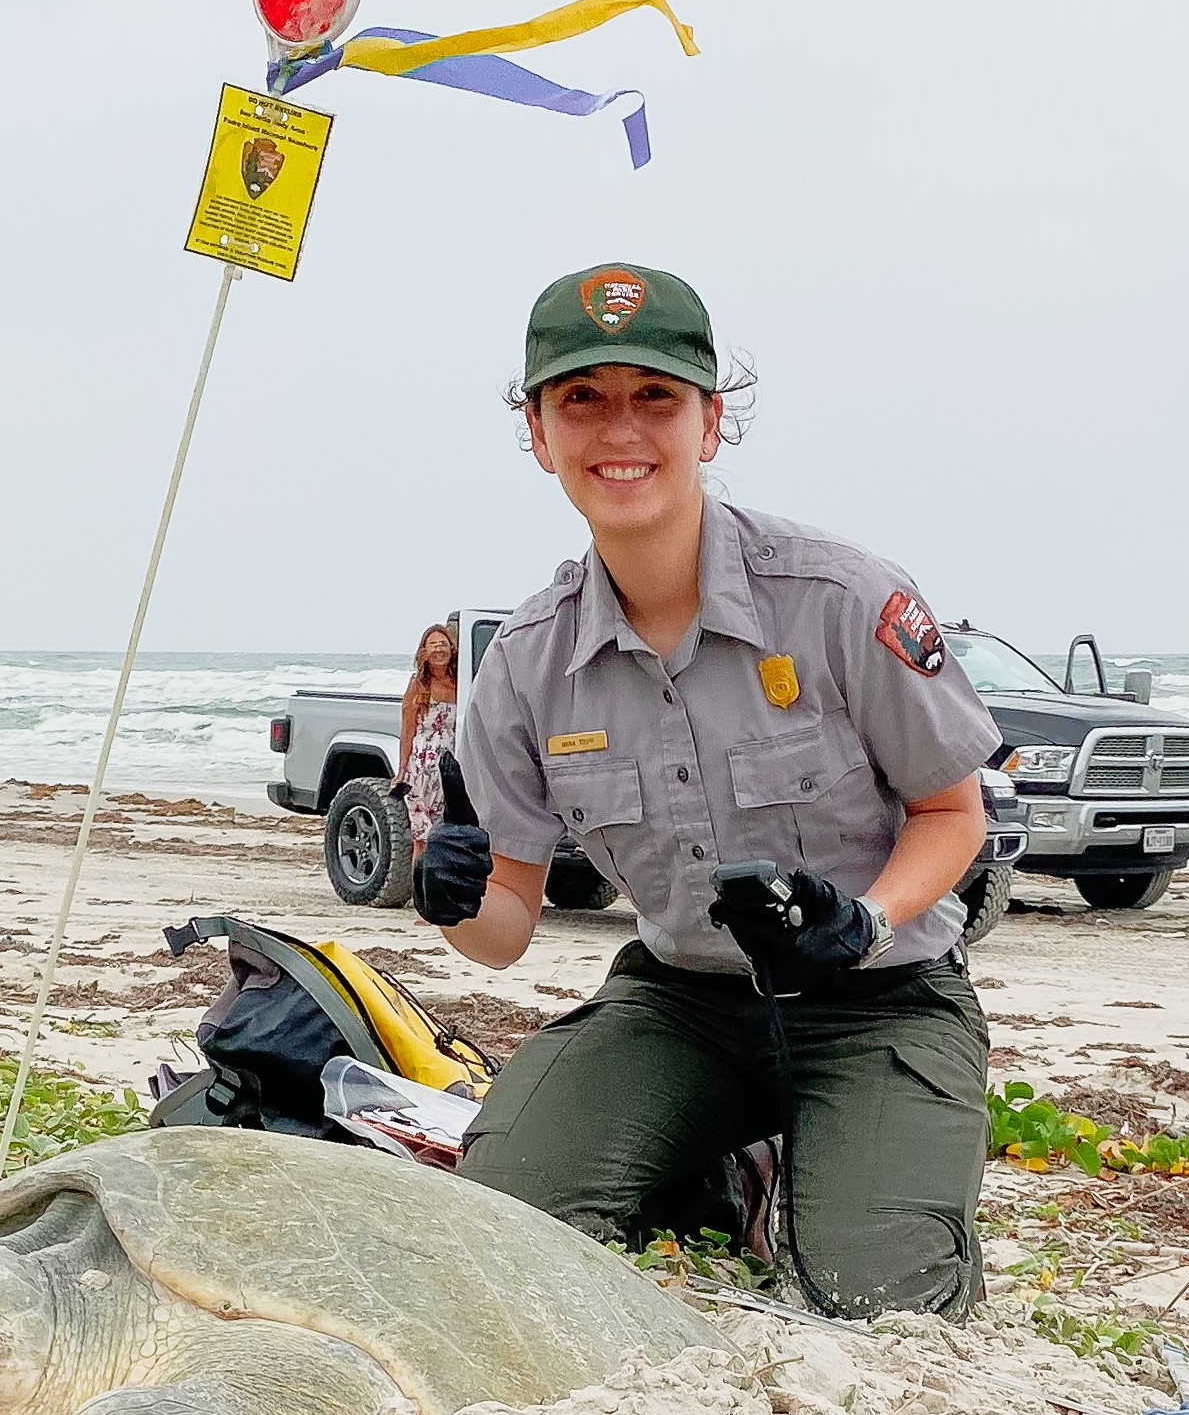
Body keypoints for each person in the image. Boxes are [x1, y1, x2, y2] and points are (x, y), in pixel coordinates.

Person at [419, 264, 1003, 1320]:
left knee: (882, 1307)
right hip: (681, 1004)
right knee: (499, 1225)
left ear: (709, 422)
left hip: (880, 1002)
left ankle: (834, 1162)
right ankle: (719, 1170)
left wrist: (865, 917)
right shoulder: (526, 660)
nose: (618, 430)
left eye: (654, 396)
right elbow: (504, 928)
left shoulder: (840, 597)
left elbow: (952, 813)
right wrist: (453, 899)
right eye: (579, 399)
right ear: (539, 434)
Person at [390, 622, 460, 856]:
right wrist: (401, 771)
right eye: (433, 645)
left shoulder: (462, 683)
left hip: (451, 767)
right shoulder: (418, 685)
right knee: (423, 837)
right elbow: (407, 730)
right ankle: (421, 891)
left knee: (446, 833)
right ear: (424, 652)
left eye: (443, 644)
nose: (439, 650)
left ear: (452, 648)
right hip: (422, 769)